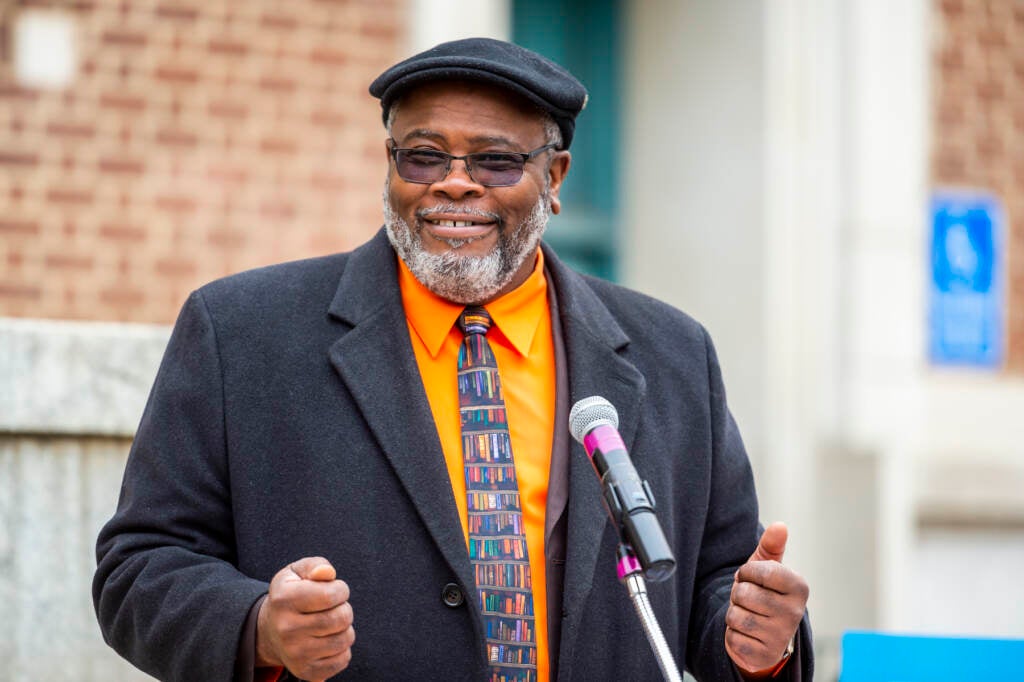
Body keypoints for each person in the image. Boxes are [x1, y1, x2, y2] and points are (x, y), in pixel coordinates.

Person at [94, 37, 812, 682]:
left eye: (496, 161)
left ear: (555, 178)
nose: (454, 183)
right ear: (390, 165)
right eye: (424, 154)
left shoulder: (674, 354)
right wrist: (259, 628)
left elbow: (719, 586)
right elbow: (138, 569)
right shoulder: (242, 334)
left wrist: (760, 642)